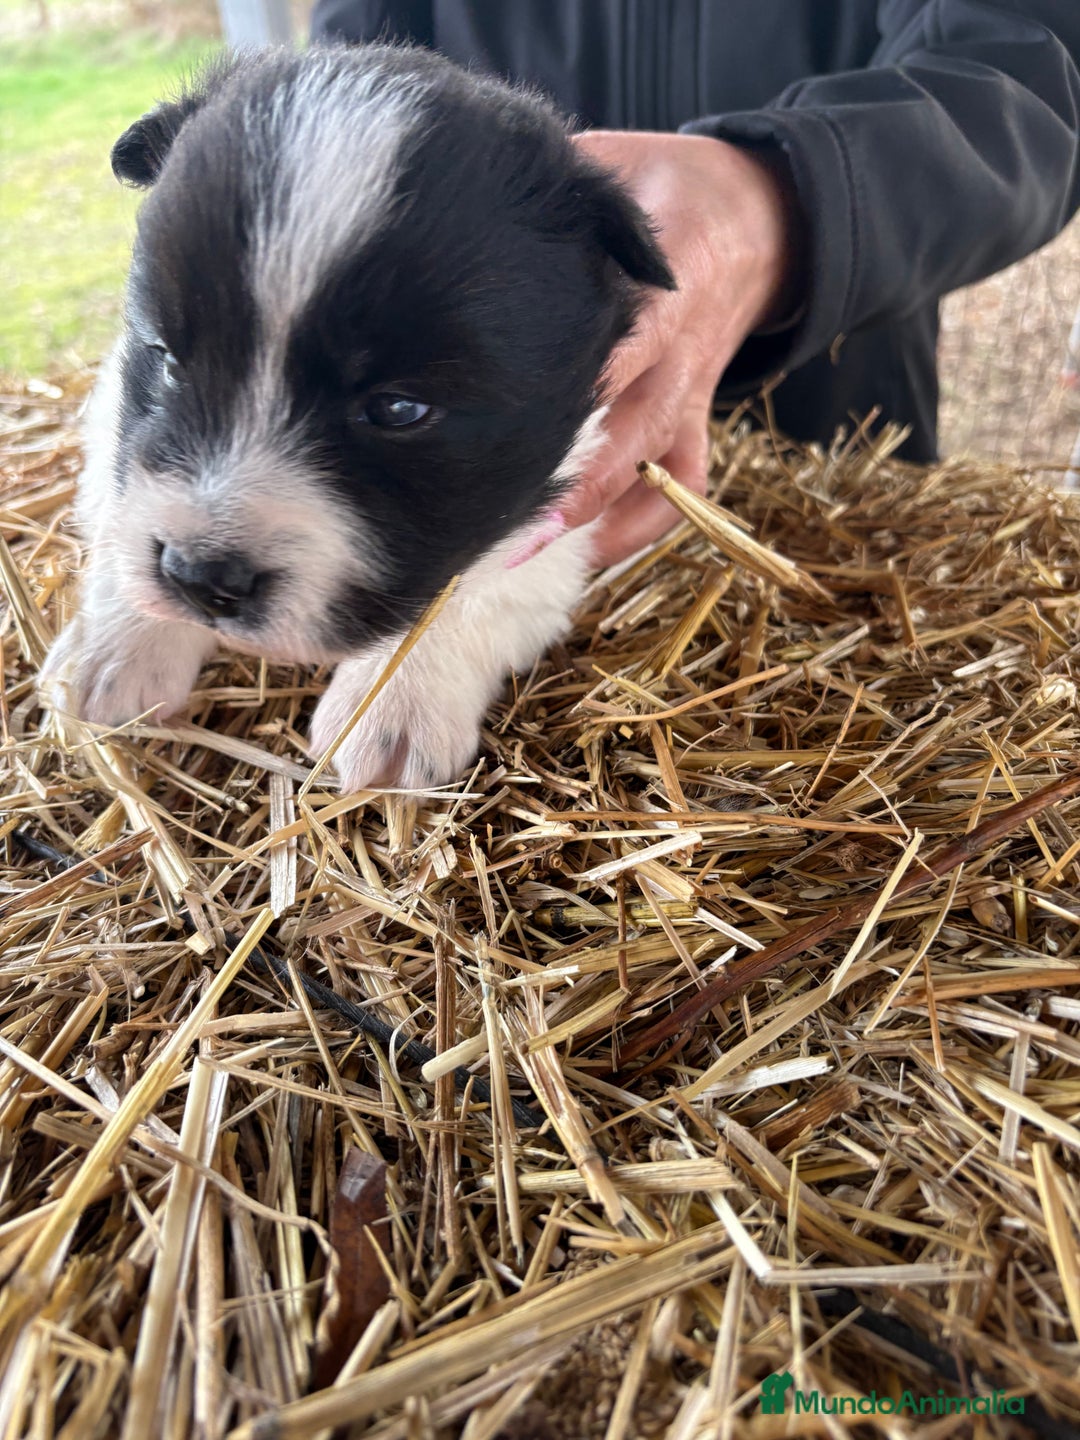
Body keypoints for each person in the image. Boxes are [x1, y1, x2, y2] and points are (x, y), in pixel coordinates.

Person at [310, 1, 1080, 565]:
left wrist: (784, 199)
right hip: (466, 464)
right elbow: (349, 78)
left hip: (836, 457)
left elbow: (1034, 70)